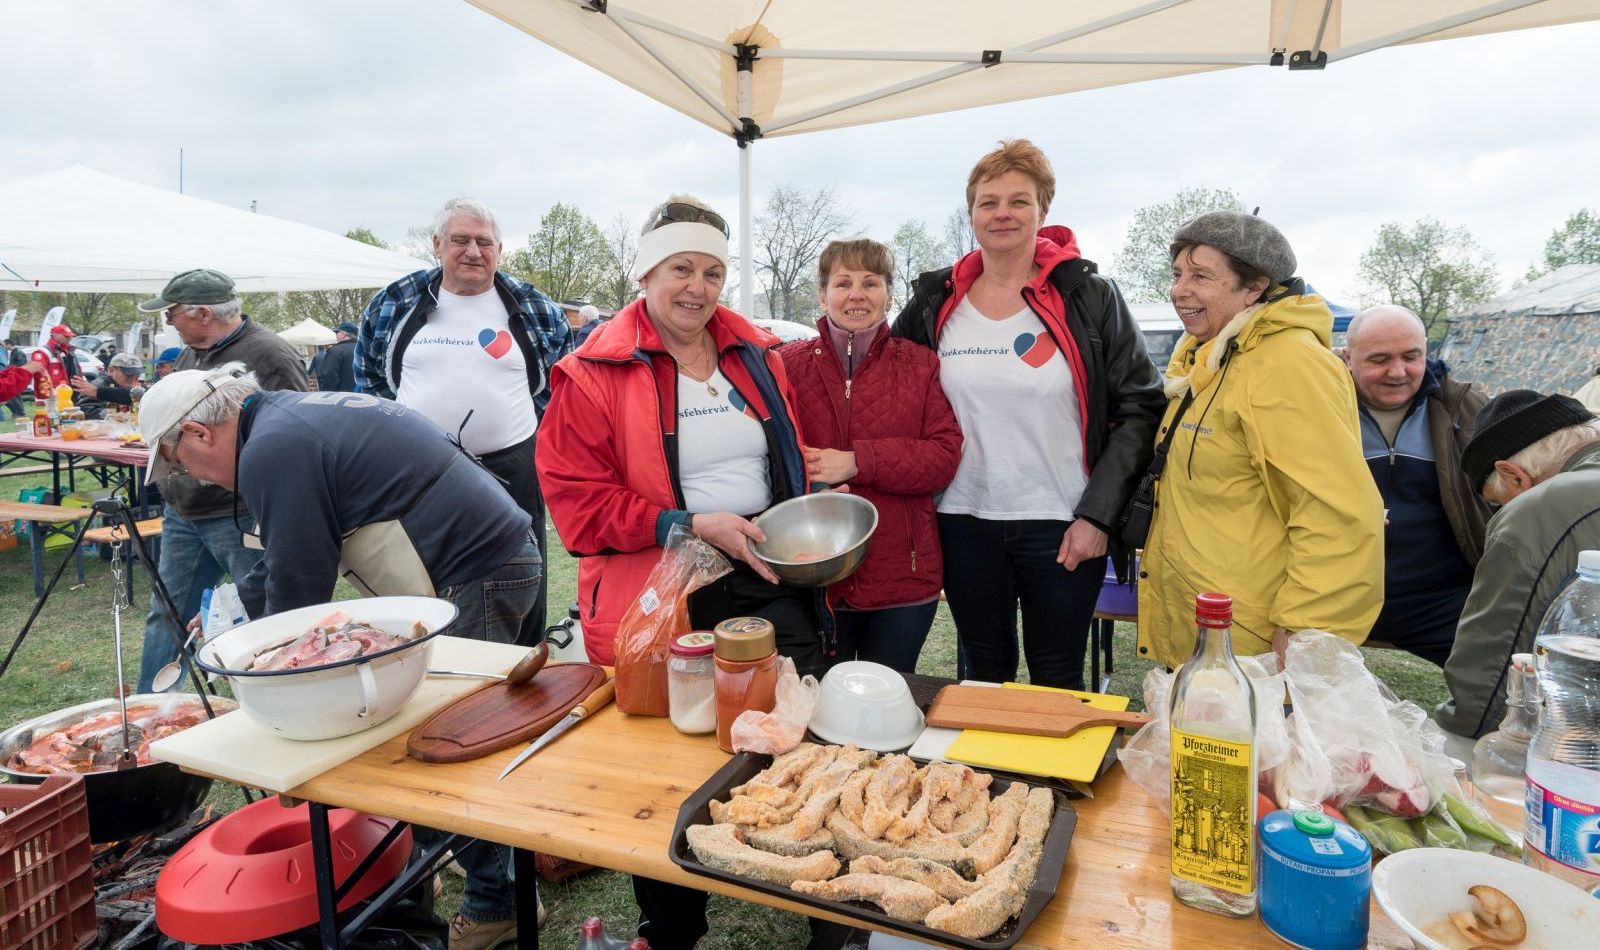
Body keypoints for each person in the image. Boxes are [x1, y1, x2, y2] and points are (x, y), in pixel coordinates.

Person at [137, 364, 542, 950]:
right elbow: (294, 547)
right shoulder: (284, 421)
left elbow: (300, 583)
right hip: (493, 556)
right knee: (451, 735)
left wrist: (268, 673)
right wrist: (237, 601)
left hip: (476, 569)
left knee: (447, 747)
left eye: (180, 462)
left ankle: (495, 907)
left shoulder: (272, 448)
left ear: (200, 432)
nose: (192, 477)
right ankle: (470, 868)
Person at [537, 195, 839, 950]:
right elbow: (576, 506)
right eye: (680, 269)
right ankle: (669, 931)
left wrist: (798, 511)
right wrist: (687, 524)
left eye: (711, 271)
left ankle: (827, 913)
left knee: (796, 731)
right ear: (645, 274)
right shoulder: (592, 372)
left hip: (764, 571)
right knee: (670, 763)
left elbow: (781, 455)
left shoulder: (754, 354)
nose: (697, 288)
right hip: (665, 589)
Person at [893, 139, 1165, 691]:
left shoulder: (1089, 295)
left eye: (1019, 201)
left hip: (1064, 520)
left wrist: (1099, 518)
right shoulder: (936, 299)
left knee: (1057, 676)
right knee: (982, 674)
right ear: (971, 214)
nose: (1002, 213)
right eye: (988, 202)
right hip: (962, 519)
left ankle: (1052, 759)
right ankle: (985, 755)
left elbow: (1141, 407)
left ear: (1043, 211)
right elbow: (889, 381)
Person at [1139, 212, 1384, 667]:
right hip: (1209, 624)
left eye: (1200, 276)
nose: (1179, 290)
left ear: (1254, 288)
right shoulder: (1210, 354)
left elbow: (1336, 514)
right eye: (1176, 274)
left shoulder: (1287, 363)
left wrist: (1306, 631)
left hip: (1254, 640)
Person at [357, 198, 570, 648]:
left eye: (484, 242)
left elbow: (560, 382)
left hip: (512, 466)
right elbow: (370, 378)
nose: (473, 251)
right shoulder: (395, 301)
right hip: (418, 468)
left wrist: (521, 424)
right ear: (437, 244)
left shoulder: (534, 306)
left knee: (524, 567)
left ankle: (526, 657)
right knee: (421, 571)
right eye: (460, 240)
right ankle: (429, 653)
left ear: (499, 250)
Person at [778, 238, 961, 671]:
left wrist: (857, 461)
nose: (856, 294)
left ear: (888, 295)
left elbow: (943, 457)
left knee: (889, 698)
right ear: (822, 294)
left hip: (902, 578)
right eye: (843, 283)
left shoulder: (920, 365)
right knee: (817, 701)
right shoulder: (785, 365)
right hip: (814, 577)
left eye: (870, 282)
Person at [131, 268, 309, 693]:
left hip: (239, 512)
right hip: (183, 512)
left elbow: (296, 430)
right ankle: (152, 709)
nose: (168, 321)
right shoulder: (189, 355)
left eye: (171, 313)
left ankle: (278, 695)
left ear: (204, 313)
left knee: (266, 612)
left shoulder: (270, 353)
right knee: (168, 612)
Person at [1437, 391, 1600, 738]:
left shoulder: (1543, 510)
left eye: (1498, 503)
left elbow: (1491, 680)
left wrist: (1463, 728)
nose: (1502, 511)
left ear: (1513, 476)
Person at [1342, 305, 1490, 666]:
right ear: (1348, 358)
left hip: (1440, 600)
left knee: (1502, 664)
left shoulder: (1466, 409)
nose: (1398, 372)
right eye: (1379, 359)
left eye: (1411, 357)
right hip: (1336, 592)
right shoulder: (1312, 408)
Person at [72, 351, 146, 418]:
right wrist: (111, 415)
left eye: (137, 374)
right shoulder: (98, 385)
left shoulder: (137, 387)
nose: (134, 378)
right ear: (111, 370)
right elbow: (84, 410)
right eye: (129, 374)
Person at [29, 323, 85, 389]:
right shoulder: (43, 352)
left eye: (70, 336)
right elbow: (40, 377)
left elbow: (76, 370)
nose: (69, 339)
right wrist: (48, 392)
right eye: (66, 336)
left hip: (71, 391)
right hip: (55, 393)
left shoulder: (69, 351)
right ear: (55, 335)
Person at [315, 321, 358, 392]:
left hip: (342, 397)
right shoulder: (365, 350)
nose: (335, 335)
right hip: (366, 397)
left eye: (337, 333)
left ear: (344, 335)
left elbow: (329, 380)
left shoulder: (335, 351)